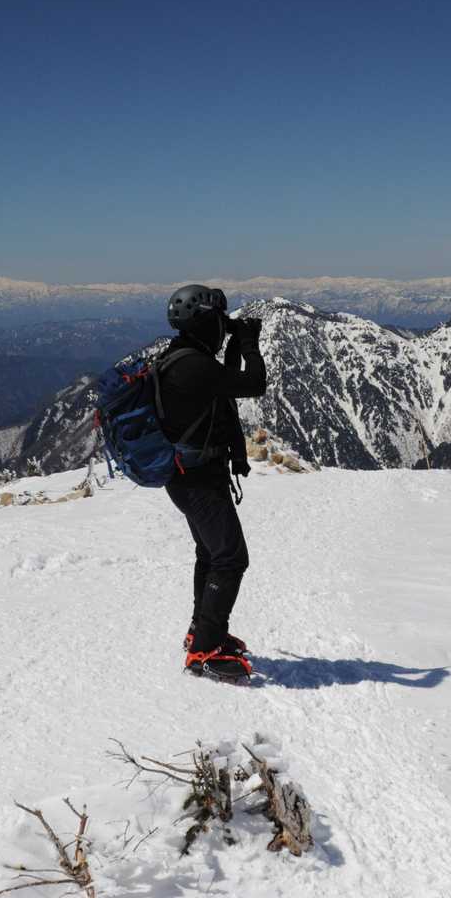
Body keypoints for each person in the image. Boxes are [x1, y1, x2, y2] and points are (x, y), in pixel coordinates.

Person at [158, 284, 267, 683]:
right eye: (219, 322)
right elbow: (253, 383)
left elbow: (223, 389)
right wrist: (249, 343)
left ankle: (202, 631)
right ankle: (204, 649)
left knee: (210, 553)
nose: (223, 329)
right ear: (205, 323)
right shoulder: (194, 365)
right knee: (231, 558)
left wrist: (235, 342)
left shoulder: (183, 358)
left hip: (188, 476)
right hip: (198, 481)